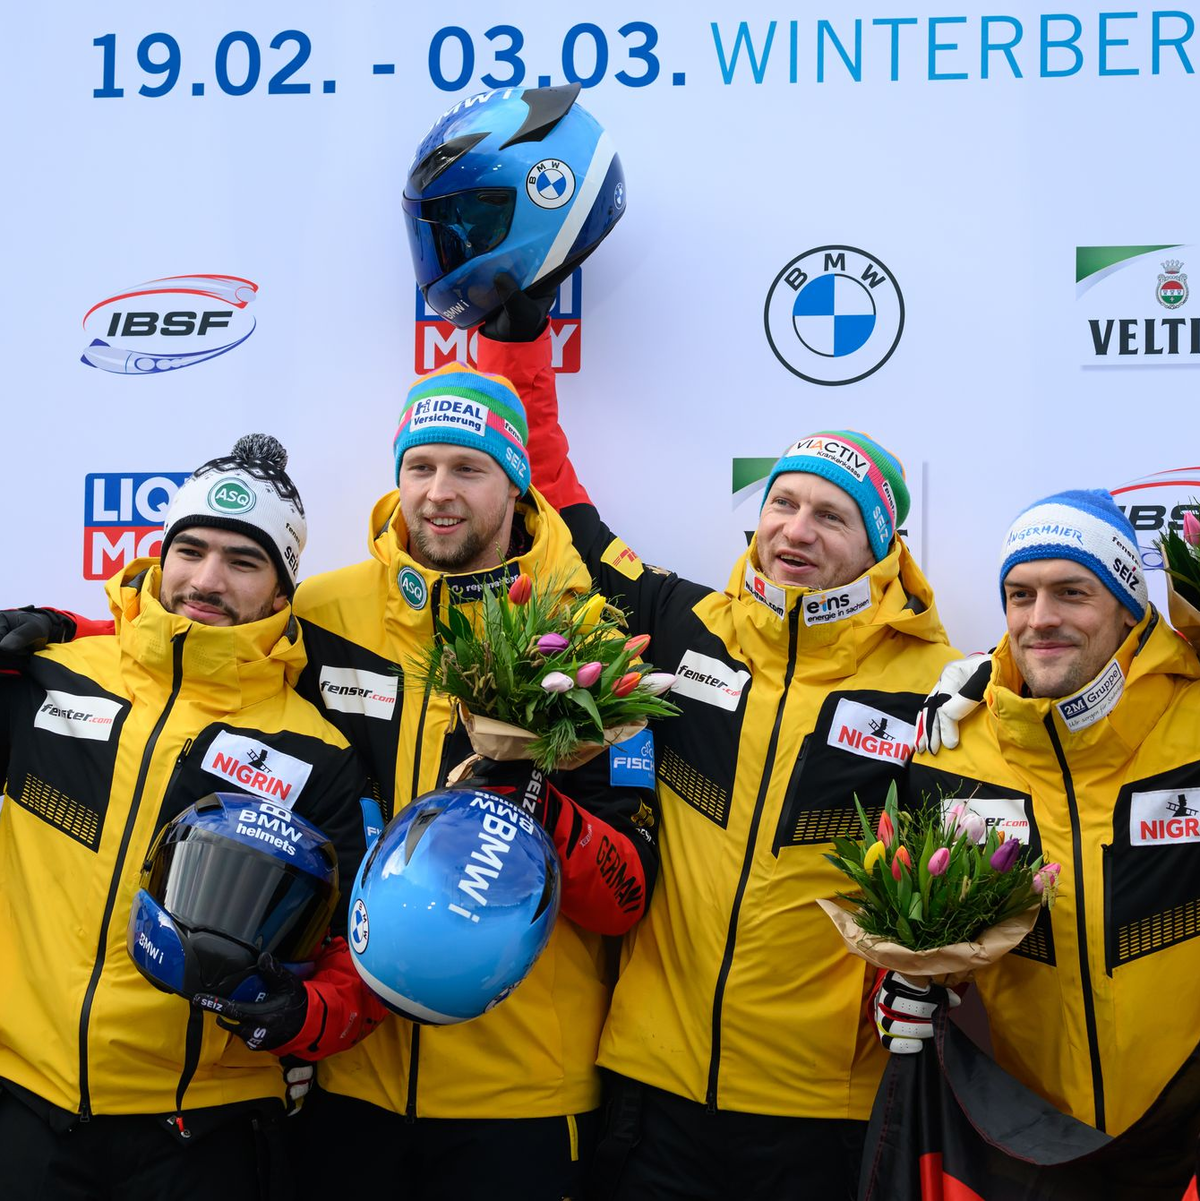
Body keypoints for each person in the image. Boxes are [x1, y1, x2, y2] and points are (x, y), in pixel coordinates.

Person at [474, 314, 961, 1200]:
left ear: (879, 545)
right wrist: (514, 340)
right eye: (783, 501)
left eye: (831, 516)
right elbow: (551, 502)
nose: (796, 530)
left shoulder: (938, 687)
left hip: (819, 1108)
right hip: (652, 1085)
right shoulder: (681, 622)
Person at [284, 364, 660, 1201]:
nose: (438, 493)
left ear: (517, 482)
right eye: (420, 467)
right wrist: (71, 624)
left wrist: (540, 806)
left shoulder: (583, 631)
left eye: (468, 468)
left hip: (521, 1096)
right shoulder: (324, 613)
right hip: (353, 1080)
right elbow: (203, 649)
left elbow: (626, 895)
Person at [0, 435, 383, 1201]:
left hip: (199, 1134)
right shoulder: (47, 674)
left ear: (282, 592)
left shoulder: (320, 753)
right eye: (192, 549)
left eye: (243, 561)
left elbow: (361, 957)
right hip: (24, 1110)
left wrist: (302, 1013)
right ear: (160, 553)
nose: (206, 580)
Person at [890, 489, 1200, 1142]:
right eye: (1021, 595)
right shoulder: (955, 746)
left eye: (1072, 592)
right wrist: (917, 983)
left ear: (1126, 609)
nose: (1041, 618)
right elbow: (947, 939)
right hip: (1036, 1147)